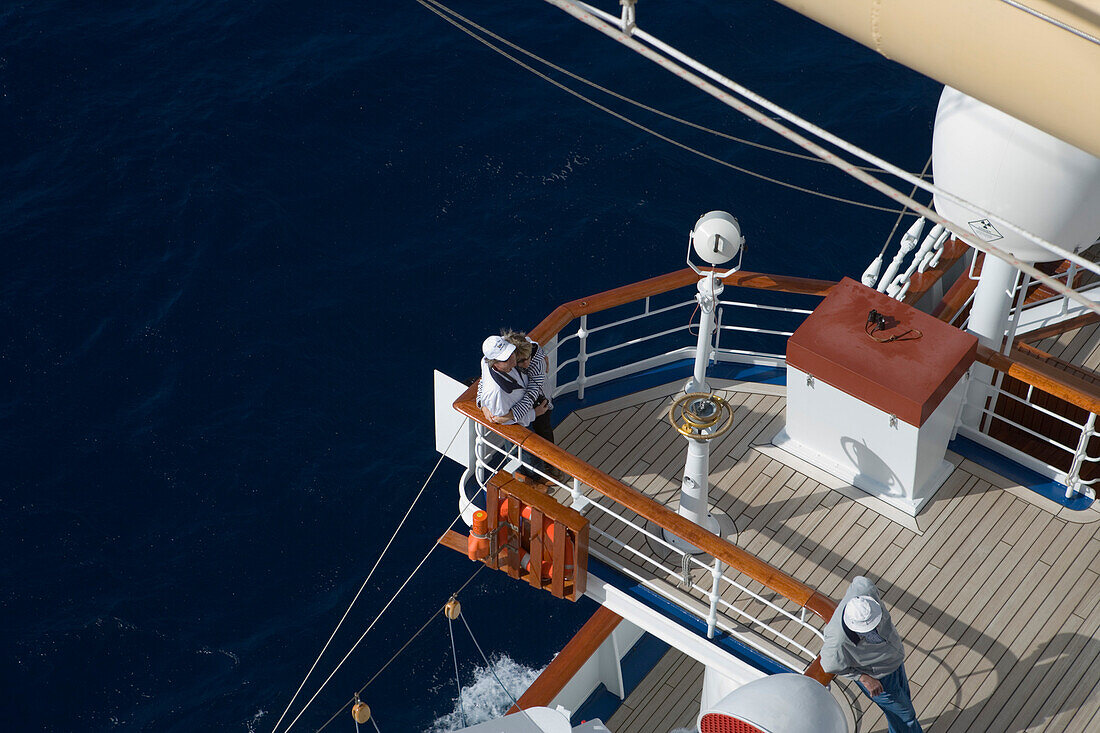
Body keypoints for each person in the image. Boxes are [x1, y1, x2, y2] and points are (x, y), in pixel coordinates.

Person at [820, 576, 923, 733]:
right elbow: (828, 664)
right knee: (906, 716)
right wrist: (863, 678)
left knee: (902, 707)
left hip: (894, 662)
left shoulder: (864, 590)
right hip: (879, 679)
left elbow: (860, 580)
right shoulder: (838, 642)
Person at [476, 334, 550, 483]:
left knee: (536, 442)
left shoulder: (495, 363)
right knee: (527, 453)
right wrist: (532, 414)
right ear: (495, 364)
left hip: (533, 409)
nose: (513, 360)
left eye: (511, 354)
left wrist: (481, 403)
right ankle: (536, 480)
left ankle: (538, 473)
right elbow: (504, 420)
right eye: (506, 359)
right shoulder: (496, 392)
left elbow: (484, 380)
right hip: (520, 423)